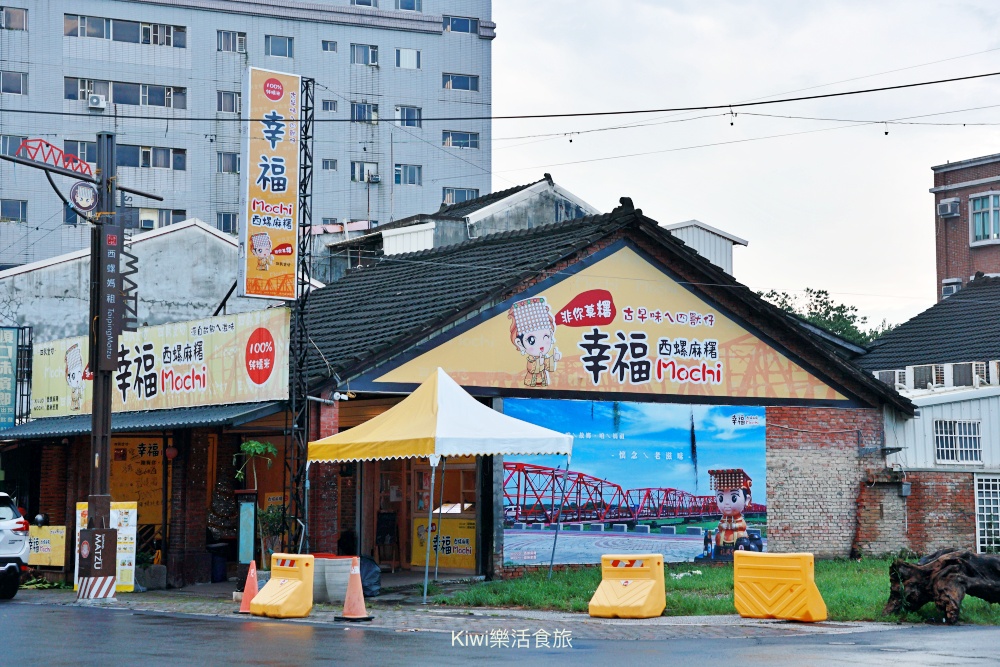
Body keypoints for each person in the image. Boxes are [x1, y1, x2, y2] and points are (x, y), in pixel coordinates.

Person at [508, 297, 561, 387]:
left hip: (543, 381)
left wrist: (554, 359)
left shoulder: (544, 357)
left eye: (546, 337)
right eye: (531, 340)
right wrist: (539, 363)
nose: (541, 344)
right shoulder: (531, 359)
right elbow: (531, 369)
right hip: (531, 382)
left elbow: (549, 366)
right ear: (519, 343)